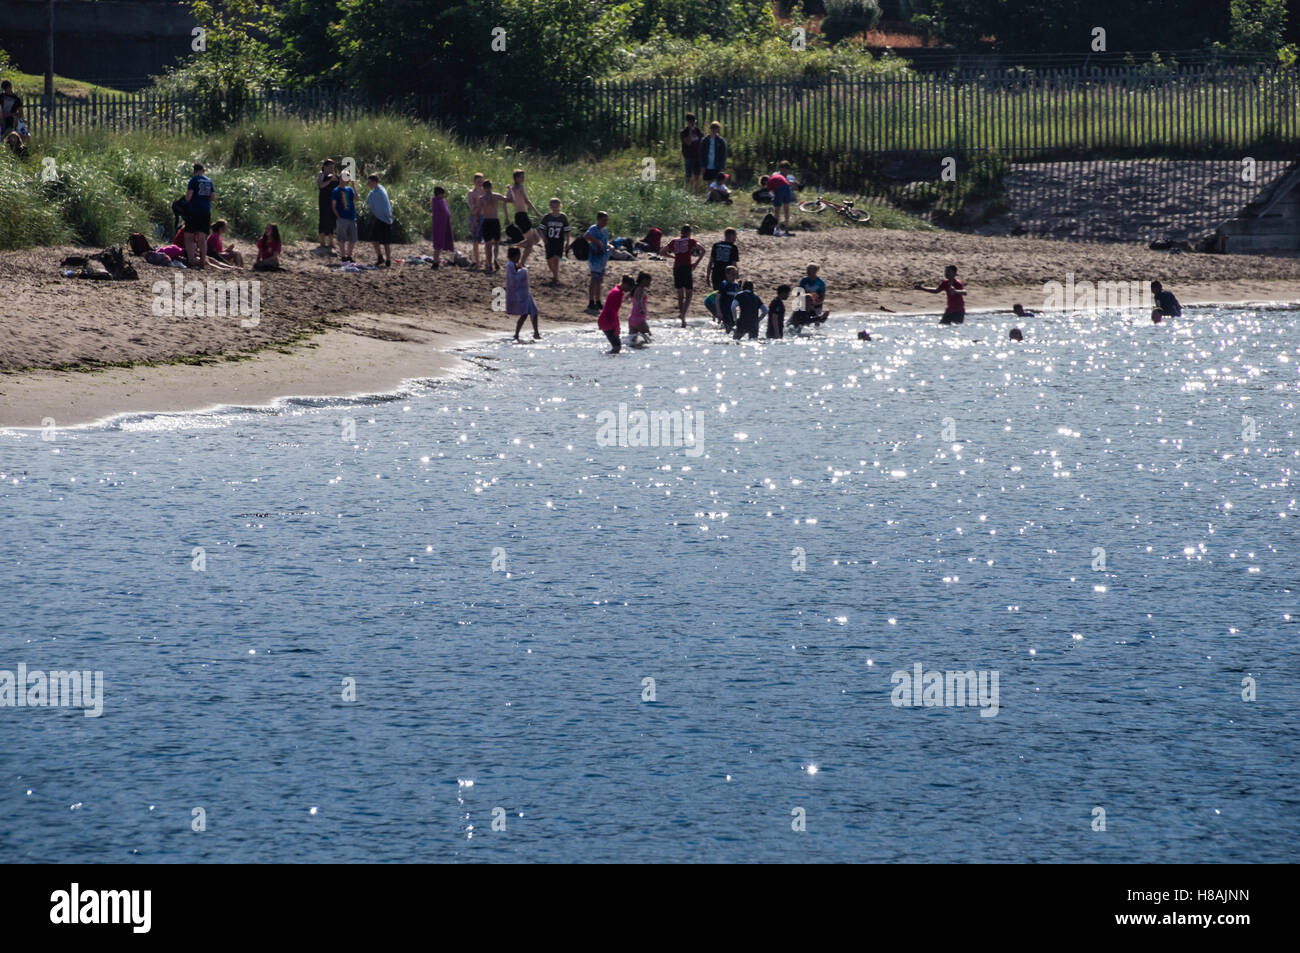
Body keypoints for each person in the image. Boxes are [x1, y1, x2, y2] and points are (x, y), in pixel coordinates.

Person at [664, 223, 704, 327]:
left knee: (680, 295)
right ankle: (683, 314)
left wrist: (673, 257)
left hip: (676, 268)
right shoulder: (691, 241)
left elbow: (662, 251)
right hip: (686, 267)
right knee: (689, 294)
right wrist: (696, 263)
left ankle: (683, 321)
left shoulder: (674, 241)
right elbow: (703, 250)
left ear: (681, 232)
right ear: (689, 233)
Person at [182, 163, 215, 269]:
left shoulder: (194, 180)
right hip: (206, 211)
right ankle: (202, 261)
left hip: (194, 211)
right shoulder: (209, 181)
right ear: (203, 170)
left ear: (194, 170)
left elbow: (188, 196)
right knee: (202, 237)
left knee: (189, 236)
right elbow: (213, 197)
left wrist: (187, 200)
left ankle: (191, 260)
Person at [505, 169, 542, 264]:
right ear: (516, 178)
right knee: (530, 244)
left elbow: (508, 200)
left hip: (520, 216)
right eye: (521, 177)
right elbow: (526, 200)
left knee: (536, 239)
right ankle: (522, 263)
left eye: (523, 177)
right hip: (522, 216)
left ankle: (514, 247)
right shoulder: (520, 188)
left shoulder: (512, 189)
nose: (523, 179)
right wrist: (536, 212)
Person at [505, 246, 541, 341]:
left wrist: (523, 269)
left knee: (534, 312)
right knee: (525, 314)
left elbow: (519, 271)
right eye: (518, 255)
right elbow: (514, 278)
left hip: (525, 293)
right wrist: (524, 271)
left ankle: (536, 333)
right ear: (514, 256)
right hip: (519, 293)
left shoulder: (515, 264)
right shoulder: (509, 265)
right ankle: (517, 334)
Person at [598, 274, 635, 354]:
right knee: (617, 346)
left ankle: (608, 358)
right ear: (625, 284)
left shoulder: (618, 291)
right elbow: (613, 312)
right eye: (629, 287)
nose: (629, 290)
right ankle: (608, 361)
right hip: (607, 321)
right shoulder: (616, 293)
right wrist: (617, 328)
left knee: (617, 346)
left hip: (606, 320)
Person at [478, 178, 508, 272]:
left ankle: (489, 263)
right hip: (494, 220)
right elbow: (509, 199)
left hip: (487, 221)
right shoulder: (496, 196)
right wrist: (510, 190)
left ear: (484, 188)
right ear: (492, 187)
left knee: (488, 244)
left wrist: (476, 222)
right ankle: (493, 260)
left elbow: (479, 212)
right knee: (495, 243)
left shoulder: (482, 198)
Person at [584, 211, 611, 312]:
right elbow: (586, 236)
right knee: (594, 280)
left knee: (599, 280)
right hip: (594, 257)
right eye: (604, 220)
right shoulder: (593, 228)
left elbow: (605, 241)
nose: (605, 222)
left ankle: (598, 300)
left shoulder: (604, 230)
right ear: (598, 220)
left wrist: (610, 246)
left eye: (606, 220)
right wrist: (597, 242)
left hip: (602, 258)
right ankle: (591, 301)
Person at [538, 198, 568, 285]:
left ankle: (555, 277)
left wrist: (568, 242)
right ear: (550, 207)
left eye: (557, 206)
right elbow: (541, 229)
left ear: (560, 206)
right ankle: (554, 274)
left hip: (559, 241)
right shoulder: (547, 217)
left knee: (556, 258)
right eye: (553, 206)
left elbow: (567, 230)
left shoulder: (563, 217)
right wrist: (543, 238)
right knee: (549, 259)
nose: (555, 208)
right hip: (549, 241)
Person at [366, 173, 393, 267]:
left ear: (374, 182)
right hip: (379, 218)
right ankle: (380, 257)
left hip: (385, 219)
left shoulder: (379, 192)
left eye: (369, 182)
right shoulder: (378, 189)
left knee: (386, 242)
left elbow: (370, 201)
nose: (368, 184)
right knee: (374, 239)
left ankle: (388, 260)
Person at [791, 263, 830, 330]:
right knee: (806, 319)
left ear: (815, 271)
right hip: (805, 303)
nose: (808, 272)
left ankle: (816, 331)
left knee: (817, 319)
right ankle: (806, 330)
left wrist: (817, 303)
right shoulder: (804, 280)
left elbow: (822, 295)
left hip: (817, 304)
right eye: (807, 270)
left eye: (810, 270)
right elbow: (799, 292)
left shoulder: (820, 282)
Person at [332, 173, 359, 263]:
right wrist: (338, 217)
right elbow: (333, 205)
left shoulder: (350, 189)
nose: (348, 180)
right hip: (342, 218)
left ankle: (349, 256)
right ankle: (343, 256)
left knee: (353, 239)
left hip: (351, 217)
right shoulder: (336, 190)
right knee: (341, 238)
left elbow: (357, 198)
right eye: (346, 178)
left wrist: (354, 185)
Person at [316, 159, 340, 253]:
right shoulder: (322, 174)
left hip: (332, 200)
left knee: (332, 219)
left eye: (332, 167)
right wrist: (330, 180)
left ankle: (331, 241)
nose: (331, 169)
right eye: (330, 167)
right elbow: (320, 185)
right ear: (325, 167)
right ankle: (322, 242)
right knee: (323, 219)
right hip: (323, 200)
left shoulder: (334, 175)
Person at [706, 228, 740, 293]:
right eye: (735, 236)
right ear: (731, 236)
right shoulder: (733, 248)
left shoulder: (716, 245)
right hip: (728, 274)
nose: (735, 238)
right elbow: (734, 264)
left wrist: (708, 276)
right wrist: (737, 277)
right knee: (727, 295)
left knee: (717, 294)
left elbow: (711, 262)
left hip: (716, 273)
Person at [768, 161, 797, 235]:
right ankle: (778, 228)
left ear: (788, 170)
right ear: (780, 169)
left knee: (785, 210)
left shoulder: (791, 177)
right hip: (781, 191)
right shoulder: (776, 174)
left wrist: (790, 183)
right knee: (778, 210)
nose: (784, 170)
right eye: (782, 168)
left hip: (787, 192)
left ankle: (785, 229)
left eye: (786, 169)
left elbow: (795, 186)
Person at [431, 186, 456, 263]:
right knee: (438, 245)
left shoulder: (442, 201)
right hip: (439, 225)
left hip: (445, 224)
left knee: (447, 243)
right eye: (442, 194)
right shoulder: (436, 201)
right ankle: (435, 262)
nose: (443, 195)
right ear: (438, 194)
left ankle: (451, 261)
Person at [680, 113, 704, 195]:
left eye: (694, 122)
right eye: (691, 122)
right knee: (688, 176)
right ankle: (686, 193)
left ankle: (695, 194)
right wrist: (690, 131)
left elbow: (701, 140)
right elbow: (689, 142)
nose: (693, 123)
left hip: (698, 157)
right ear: (688, 122)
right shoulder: (684, 132)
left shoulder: (697, 131)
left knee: (697, 176)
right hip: (689, 157)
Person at [699, 121, 727, 188]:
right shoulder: (705, 140)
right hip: (707, 165)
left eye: (716, 129)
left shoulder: (721, 141)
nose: (714, 130)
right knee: (710, 184)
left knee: (718, 182)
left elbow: (723, 155)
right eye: (713, 128)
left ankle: (717, 197)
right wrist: (702, 165)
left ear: (718, 129)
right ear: (710, 129)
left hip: (717, 166)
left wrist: (722, 166)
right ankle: (711, 197)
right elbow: (701, 154)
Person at [628, 271, 653, 343]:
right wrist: (641, 309)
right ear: (644, 280)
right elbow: (639, 300)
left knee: (632, 342)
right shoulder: (640, 290)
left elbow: (629, 297)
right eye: (649, 281)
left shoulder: (635, 288)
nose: (650, 283)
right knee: (649, 340)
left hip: (632, 319)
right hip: (639, 319)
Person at [467, 173, 485, 268]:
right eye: (478, 182)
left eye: (481, 182)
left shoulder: (486, 192)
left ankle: (487, 261)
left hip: (485, 217)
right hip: (475, 218)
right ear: (474, 182)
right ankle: (477, 261)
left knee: (488, 241)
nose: (480, 184)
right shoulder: (471, 193)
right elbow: (472, 208)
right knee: (475, 241)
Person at [718, 266, 740, 333]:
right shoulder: (724, 284)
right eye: (732, 274)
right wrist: (719, 312)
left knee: (733, 327)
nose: (734, 276)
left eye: (735, 274)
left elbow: (738, 299)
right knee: (729, 327)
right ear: (727, 275)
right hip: (725, 310)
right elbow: (717, 298)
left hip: (733, 311)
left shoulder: (736, 285)